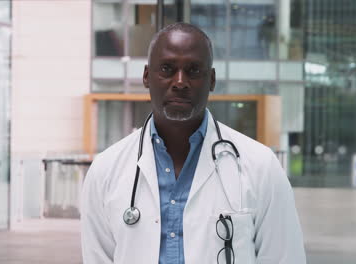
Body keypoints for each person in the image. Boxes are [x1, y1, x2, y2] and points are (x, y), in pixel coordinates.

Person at [81, 22, 306, 264]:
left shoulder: (261, 167)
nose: (180, 82)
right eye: (167, 68)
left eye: (194, 70)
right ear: (146, 77)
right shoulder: (105, 171)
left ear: (211, 80)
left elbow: (285, 257)